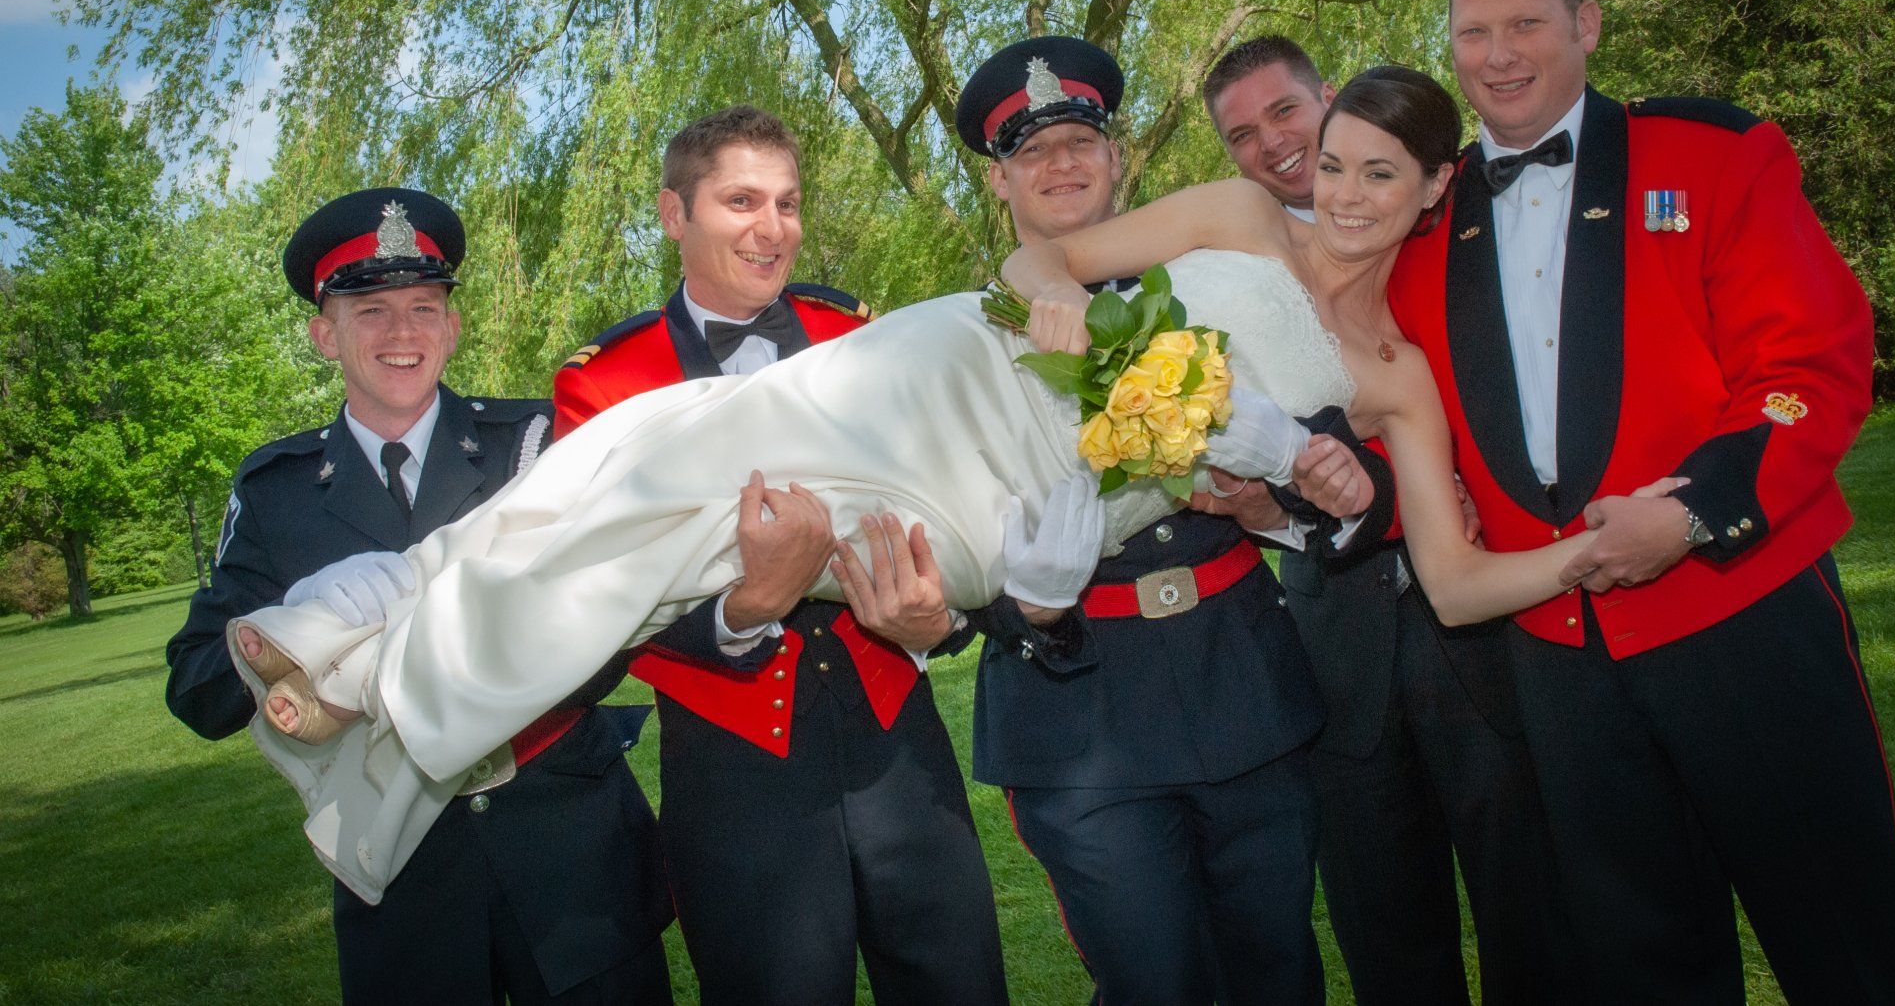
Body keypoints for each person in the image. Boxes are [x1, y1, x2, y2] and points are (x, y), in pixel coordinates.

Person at [225, 73, 1617, 922]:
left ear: (1434, 190)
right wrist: (1089, 321)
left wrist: (1596, 546)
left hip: (1027, 492)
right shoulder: (1244, 214)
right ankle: (378, 627)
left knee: (679, 515)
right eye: (1337, 162)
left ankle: (382, 663)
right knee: (663, 446)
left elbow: (1456, 580)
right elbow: (1039, 264)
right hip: (965, 370)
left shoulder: (1394, 378)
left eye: (1383, 176)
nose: (1346, 194)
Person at [1385, 0, 1895, 1002]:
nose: (1499, 54)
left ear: (1585, 23)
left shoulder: (1710, 156)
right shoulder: (1417, 221)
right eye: (1474, 32)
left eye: (1527, 22)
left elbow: (1808, 367)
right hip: (1558, 659)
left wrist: (1691, 514)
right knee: (1643, 965)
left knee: (1851, 937)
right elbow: (1397, 403)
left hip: (1742, 611)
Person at [164, 188, 673, 1005]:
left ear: (452, 326)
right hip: (405, 888)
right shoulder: (276, 492)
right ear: (324, 335)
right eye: (371, 310)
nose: (402, 333)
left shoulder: (535, 448)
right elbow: (197, 688)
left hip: (573, 862)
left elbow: (622, 622)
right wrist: (297, 616)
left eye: (423, 307)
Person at [546, 104, 1007, 1006]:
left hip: (900, 742)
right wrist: (742, 610)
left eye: (788, 204)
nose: (772, 228)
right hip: (733, 774)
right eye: (741, 201)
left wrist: (942, 618)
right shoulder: (605, 383)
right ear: (674, 214)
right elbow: (592, 597)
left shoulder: (860, 337)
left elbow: (950, 511)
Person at [956, 36, 1364, 1005]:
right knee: (1154, 982)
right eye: (1031, 151)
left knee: (1278, 972)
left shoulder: (1209, 275)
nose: (1061, 164)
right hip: (1079, 715)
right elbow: (948, 537)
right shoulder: (963, 340)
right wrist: (1026, 606)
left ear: (1117, 156)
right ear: (998, 179)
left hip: (1242, 683)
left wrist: (1273, 497)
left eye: (1079, 143)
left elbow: (1321, 440)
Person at [1203, 36, 1579, 1005]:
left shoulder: (1455, 237)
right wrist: (1268, 507)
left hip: (1482, 647)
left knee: (1531, 916)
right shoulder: (1230, 260)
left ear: (1326, 100)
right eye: (1241, 135)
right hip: (1338, 646)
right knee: (1386, 935)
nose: (1272, 144)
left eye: (1285, 113)